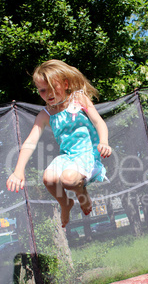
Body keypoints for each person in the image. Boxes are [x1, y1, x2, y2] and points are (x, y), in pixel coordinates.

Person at [6, 59, 112, 227]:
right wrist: (18, 171)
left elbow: (99, 122)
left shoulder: (79, 99)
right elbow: (30, 141)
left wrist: (104, 142)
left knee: (68, 179)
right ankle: (65, 203)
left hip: (88, 155)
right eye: (42, 90)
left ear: (65, 83)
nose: (49, 94)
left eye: (53, 88)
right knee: (48, 178)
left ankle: (82, 195)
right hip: (68, 157)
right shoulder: (45, 114)